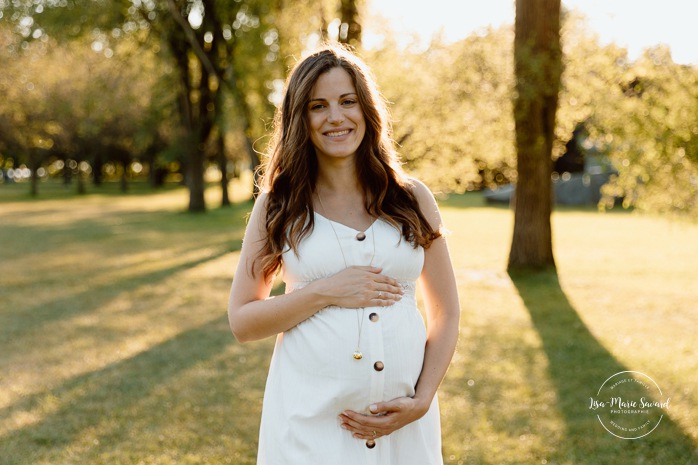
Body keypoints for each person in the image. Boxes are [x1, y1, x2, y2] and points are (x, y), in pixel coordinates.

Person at [227, 45, 460, 465]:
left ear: (367, 110)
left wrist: (423, 399)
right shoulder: (279, 204)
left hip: (404, 428)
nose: (336, 117)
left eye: (347, 101)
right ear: (302, 119)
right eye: (319, 106)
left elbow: (445, 313)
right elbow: (242, 321)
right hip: (308, 428)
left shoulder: (412, 199)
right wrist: (325, 292)